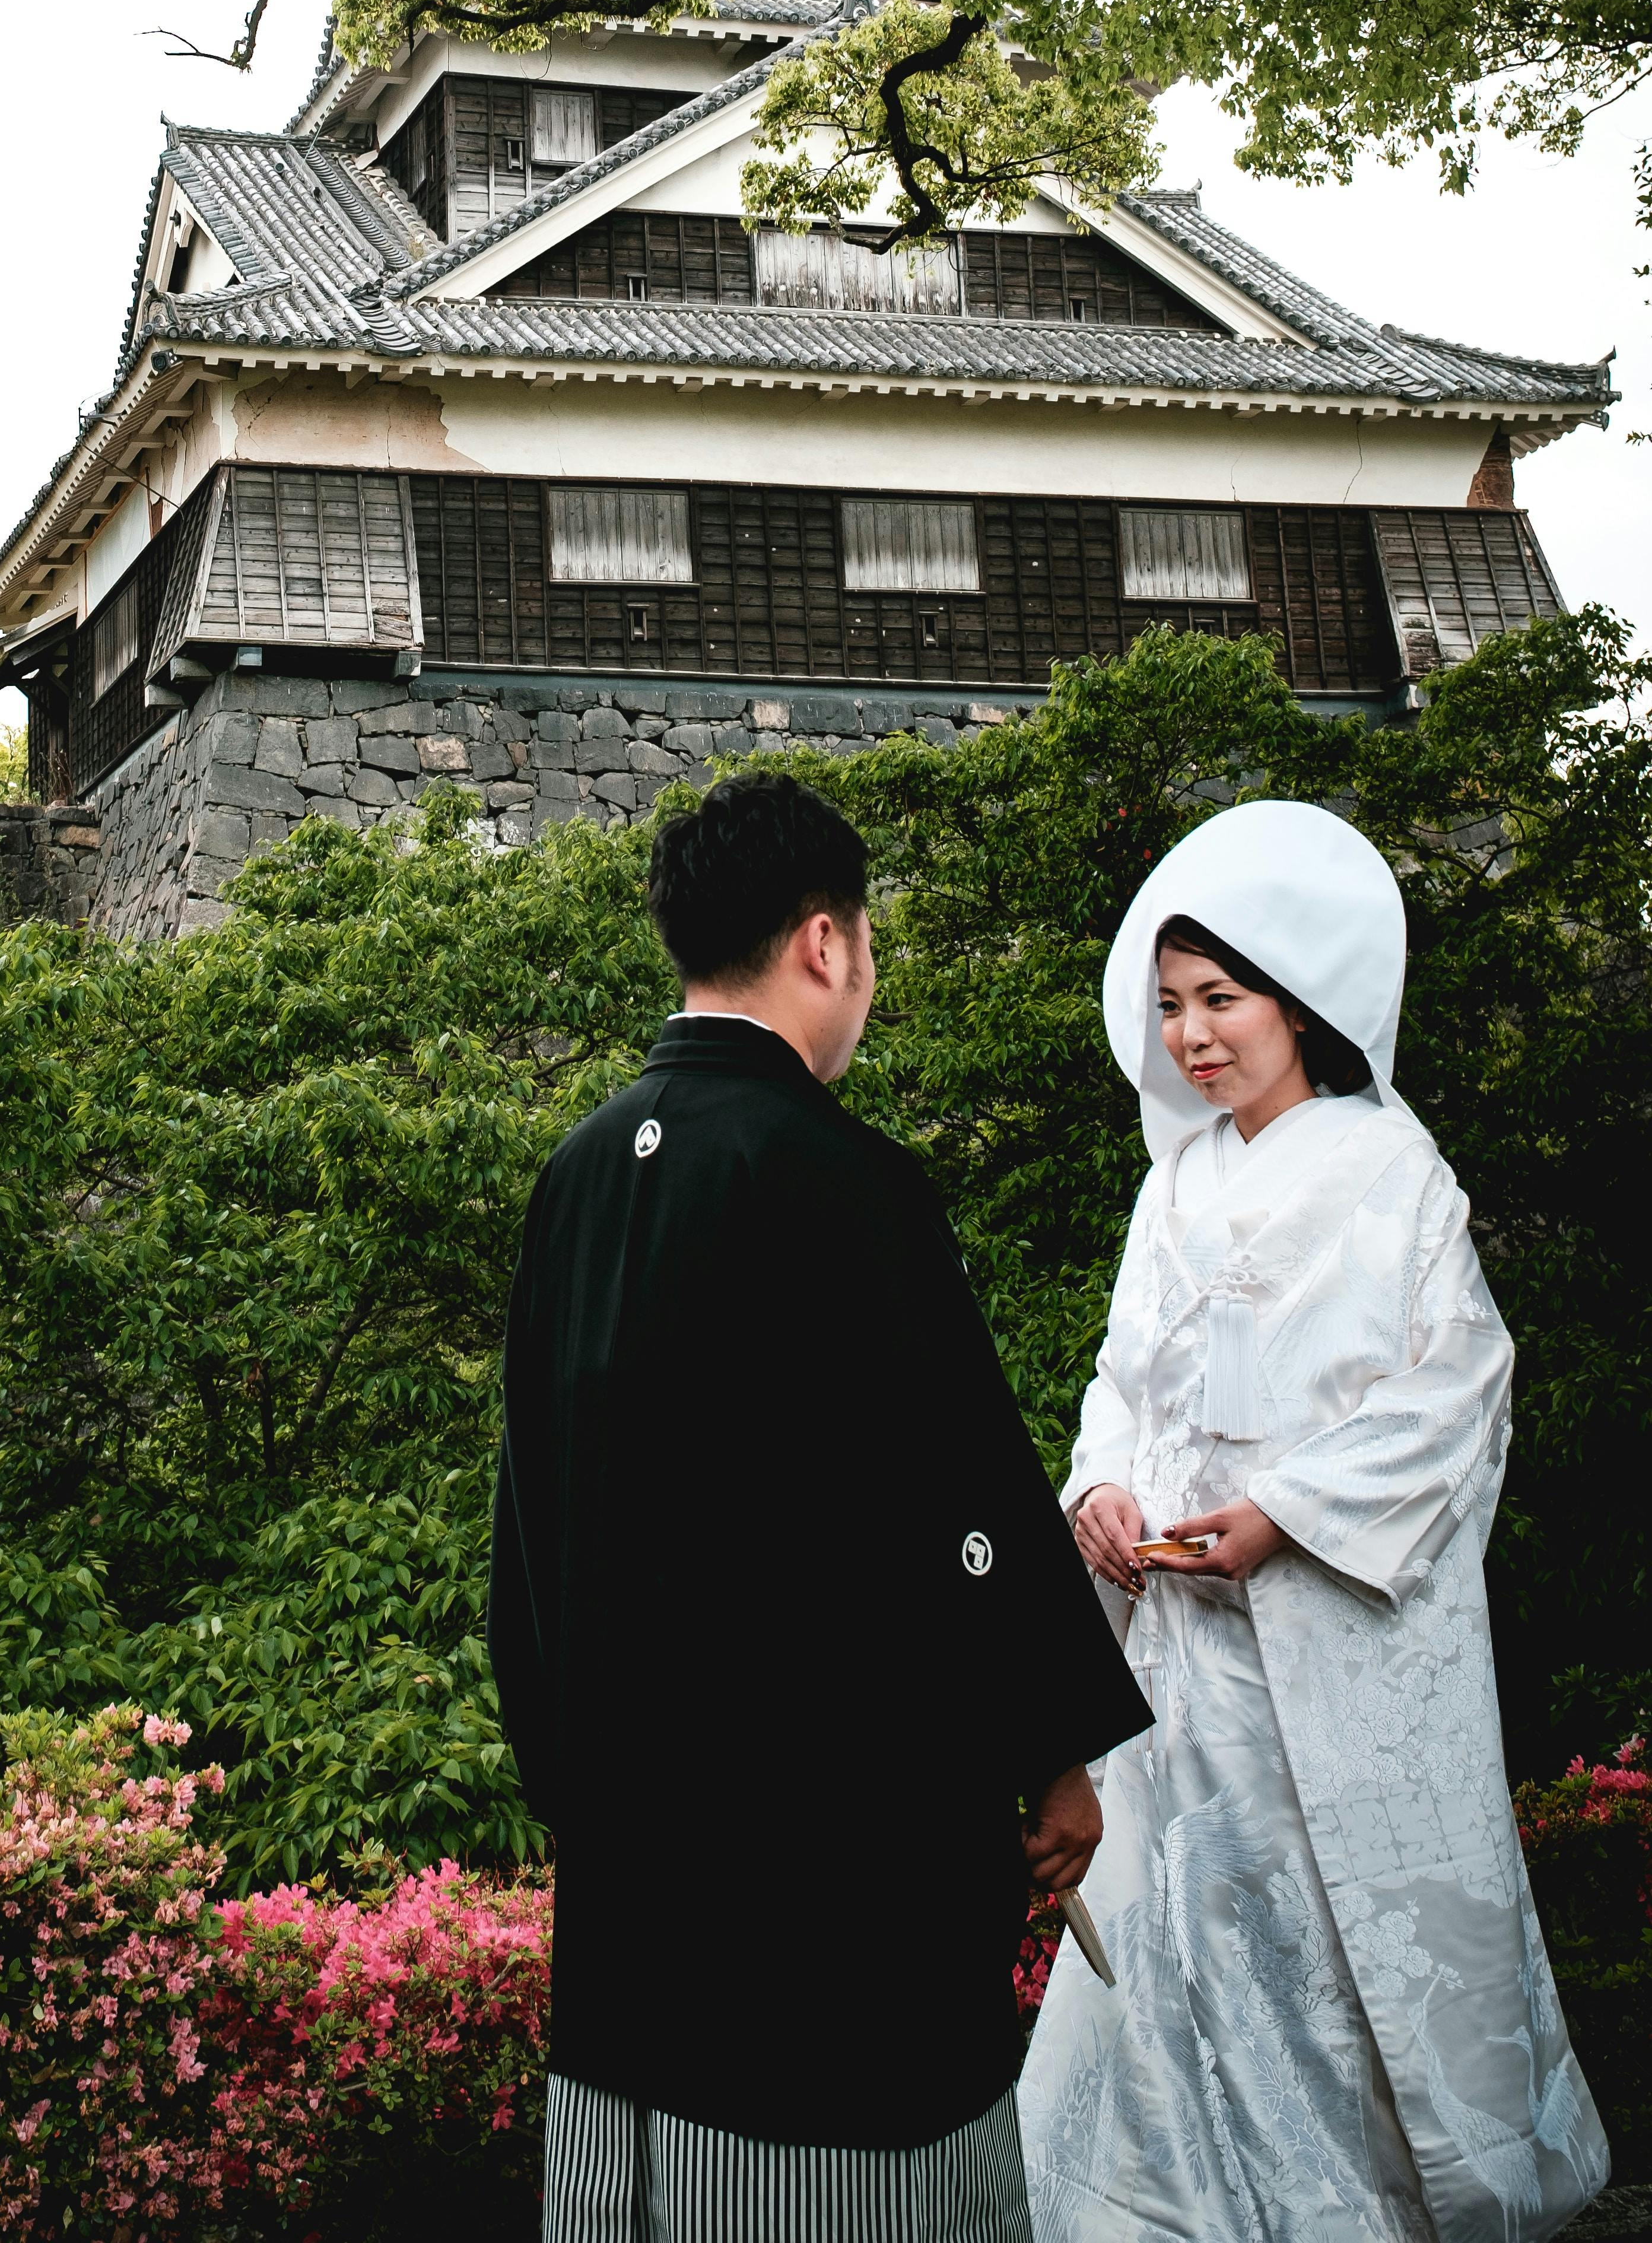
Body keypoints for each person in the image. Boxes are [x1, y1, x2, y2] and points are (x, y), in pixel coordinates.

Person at [490, 774, 1152, 2242]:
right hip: (825, 1876)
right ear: (823, 943)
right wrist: (1049, 1753)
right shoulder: (841, 1180)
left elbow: (523, 1524)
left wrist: (573, 1782)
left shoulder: (579, 1173)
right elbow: (959, 1519)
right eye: (866, 940)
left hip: (630, 1862)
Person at [1018, 797, 1609, 2242]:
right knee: (1168, 1955)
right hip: (1178, 1661)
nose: (1190, 1035)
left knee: (1319, 1959)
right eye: (1166, 1005)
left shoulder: (1388, 1171)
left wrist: (1284, 1512)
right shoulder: (1171, 1188)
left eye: (1220, 998)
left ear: (1300, 1000)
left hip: (1320, 1659)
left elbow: (1456, 1389)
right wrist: (1099, 1491)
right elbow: (1118, 1380)